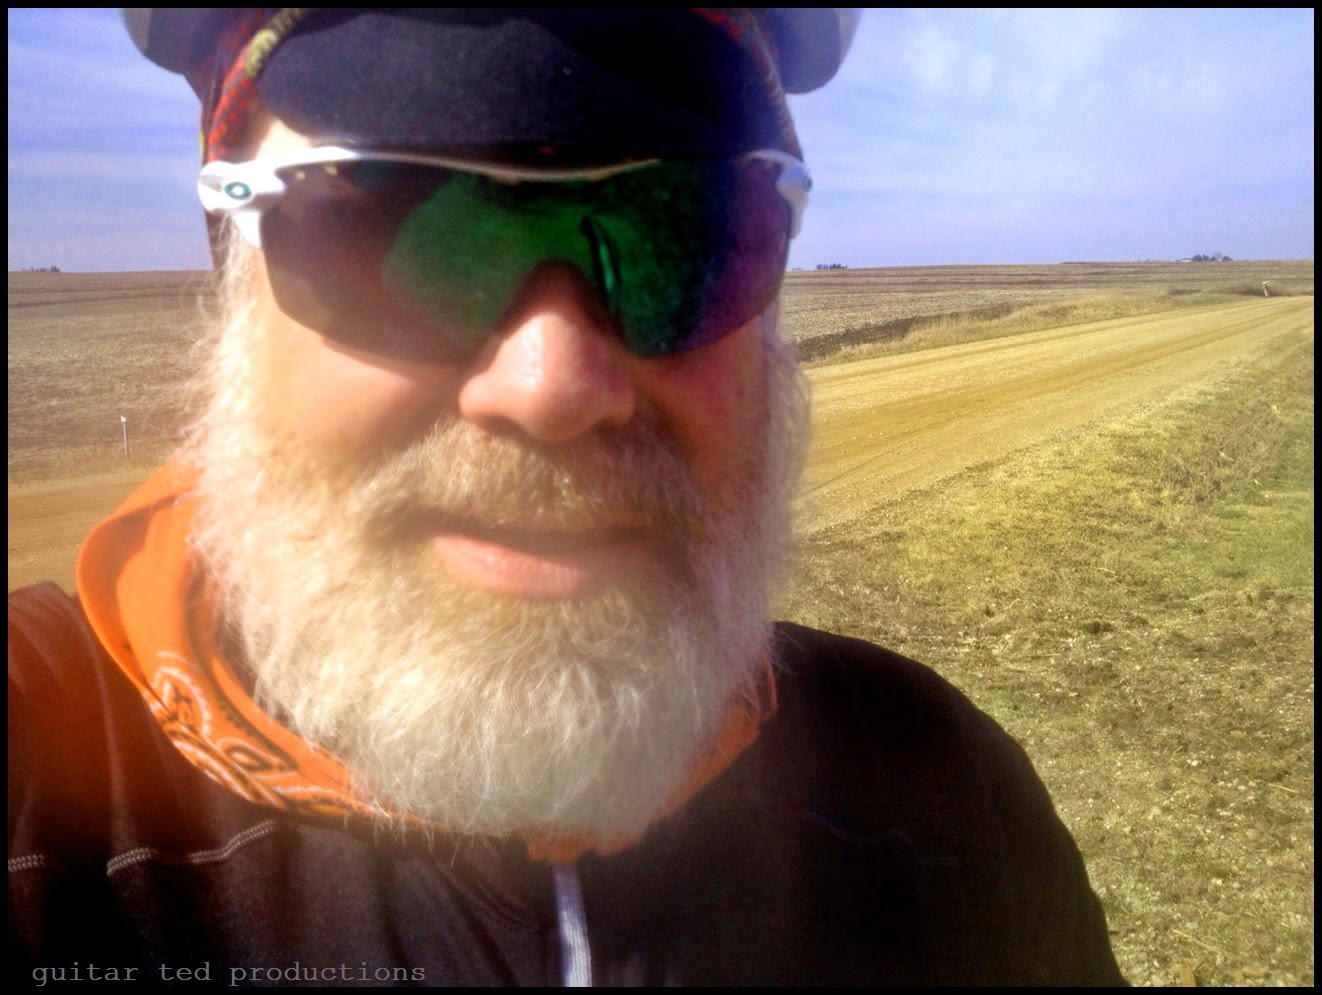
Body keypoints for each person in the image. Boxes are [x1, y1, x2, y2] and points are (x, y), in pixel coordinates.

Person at [9, 9, 1124, 986]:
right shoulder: (38, 810)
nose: (552, 386)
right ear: (234, 282)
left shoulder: (946, 811)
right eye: (396, 222)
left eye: (678, 229)